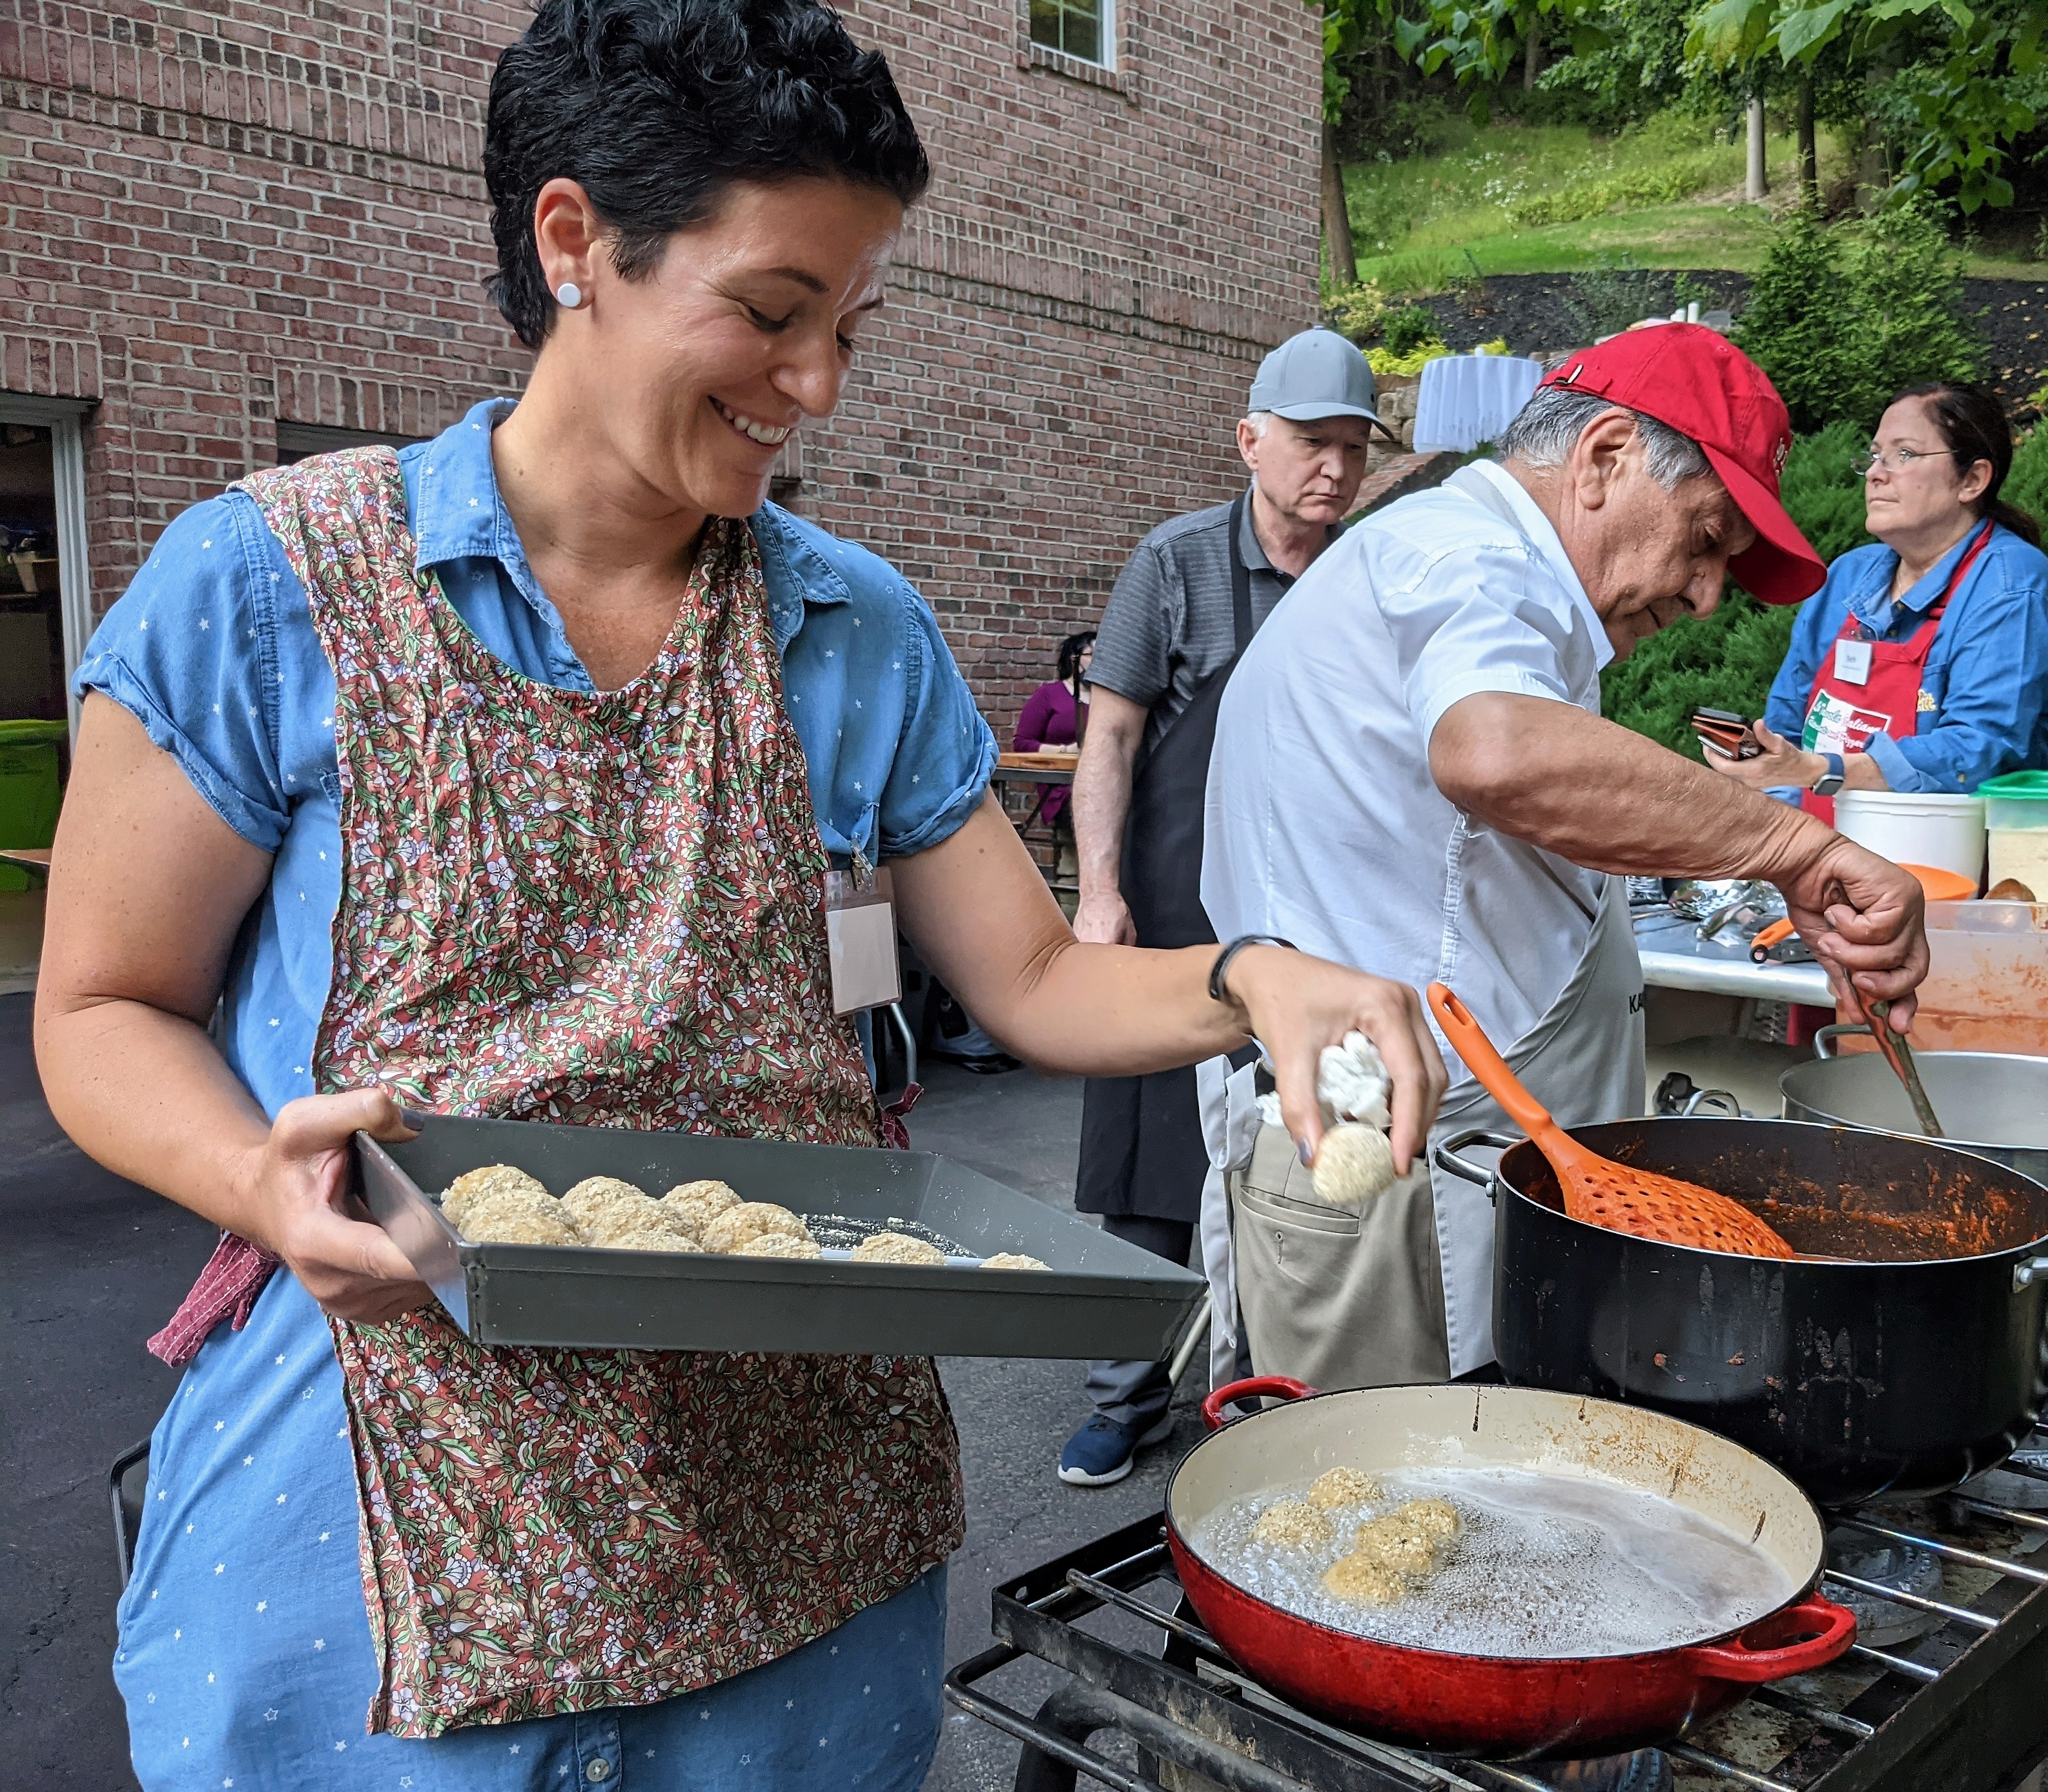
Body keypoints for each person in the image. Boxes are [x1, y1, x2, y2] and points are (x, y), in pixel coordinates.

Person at [34, 6, 1446, 1787]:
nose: (818, 387)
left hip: (788, 1520)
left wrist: (1258, 976)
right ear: (574, 246)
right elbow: (102, 1009)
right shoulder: (265, 587)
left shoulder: (854, 627)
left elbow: (1026, 981)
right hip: (373, 1502)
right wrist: (256, 1180)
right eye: (772, 315)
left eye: (851, 326)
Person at [1200, 323, 1929, 1399]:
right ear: (1602, 457)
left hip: (1447, 1162)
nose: (1705, 595)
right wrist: (1789, 844)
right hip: (1393, 1169)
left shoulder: (1500, 580)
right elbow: (1493, 751)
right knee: (1376, 1524)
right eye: (1705, 539)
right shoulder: (1469, 557)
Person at [1059, 328, 1380, 1487]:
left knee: (1308, 1142)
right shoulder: (1177, 563)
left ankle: (1277, 1385)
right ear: (1250, 441)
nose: (1332, 470)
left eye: (1352, 448)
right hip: (1176, 911)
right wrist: (1098, 897)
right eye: (1310, 443)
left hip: (1316, 912)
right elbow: (1111, 734)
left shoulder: (1367, 574)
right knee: (1149, 1154)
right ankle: (1125, 1393)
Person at [1701, 381, 2048, 817]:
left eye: (1905, 455)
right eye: (1876, 455)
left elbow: (1977, 752)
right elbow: (1787, 731)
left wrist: (1820, 769)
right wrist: (1785, 847)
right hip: (1824, 859)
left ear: (1972, 480)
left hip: (1961, 868)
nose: (1877, 472)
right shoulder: (1848, 576)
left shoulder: (2011, 585)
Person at [1011, 627, 1093, 828]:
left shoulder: (1107, 701)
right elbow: (1022, 744)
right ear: (1074, 659)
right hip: (1062, 790)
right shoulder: (1049, 695)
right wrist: (1065, 751)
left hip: (1099, 782)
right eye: (1092, 655)